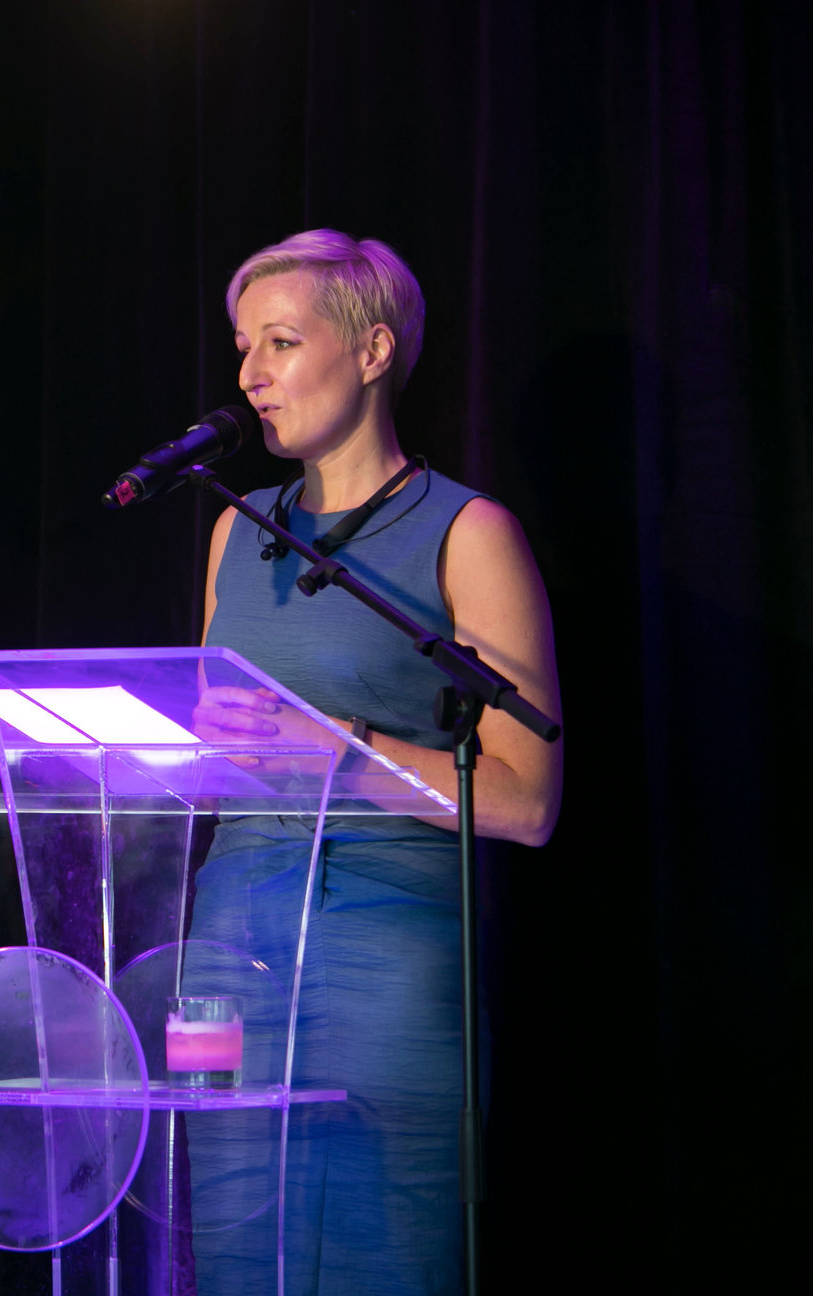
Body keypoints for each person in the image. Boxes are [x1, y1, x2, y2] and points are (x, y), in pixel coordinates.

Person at [186, 230, 562, 1295]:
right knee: (227, 1255)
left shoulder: (468, 533)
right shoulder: (236, 529)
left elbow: (529, 797)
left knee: (382, 1256)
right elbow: (217, 747)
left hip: (387, 948)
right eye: (242, 345)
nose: (252, 373)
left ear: (373, 351)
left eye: (282, 341)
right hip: (222, 951)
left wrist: (337, 751)